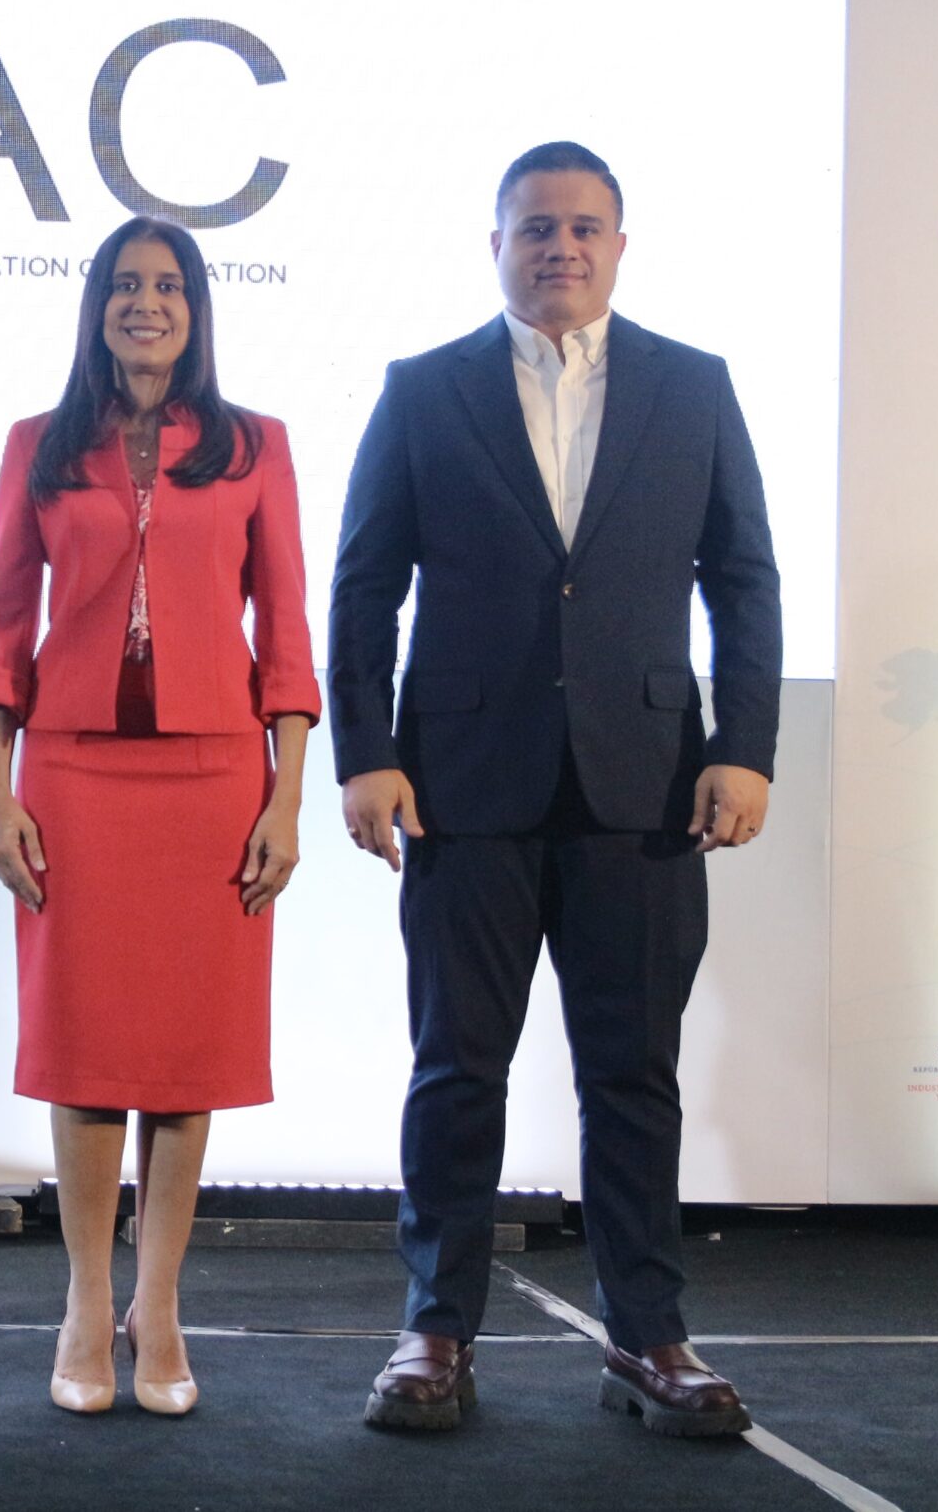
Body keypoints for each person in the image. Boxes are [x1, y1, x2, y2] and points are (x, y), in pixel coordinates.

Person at [330, 142, 780, 1437]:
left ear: (620, 245)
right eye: (537, 226)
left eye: (585, 227)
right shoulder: (425, 390)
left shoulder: (694, 388)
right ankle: (436, 1328)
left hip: (646, 791)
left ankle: (648, 1335)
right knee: (455, 1070)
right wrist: (368, 750)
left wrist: (742, 744)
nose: (561, 246)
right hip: (465, 785)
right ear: (497, 243)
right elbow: (364, 585)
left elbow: (744, 580)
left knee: (634, 1073)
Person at [0, 216, 319, 1418]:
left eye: (167, 286)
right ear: (97, 305)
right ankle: (81, 1300)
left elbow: (286, 637)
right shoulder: (38, 446)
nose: (146, 303)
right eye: (126, 284)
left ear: (195, 307)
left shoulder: (254, 446)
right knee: (83, 1053)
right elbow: (1, 632)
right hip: (71, 776)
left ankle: (156, 1302)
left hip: (215, 779)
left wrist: (285, 793)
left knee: (181, 1060)